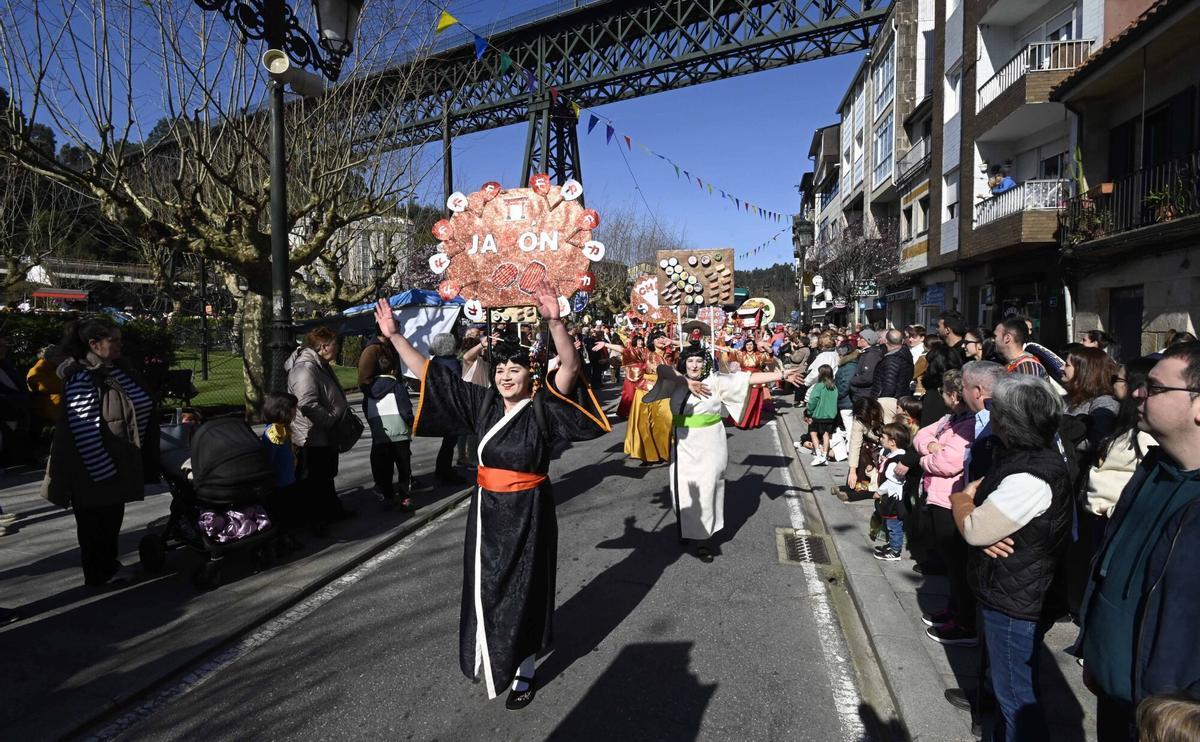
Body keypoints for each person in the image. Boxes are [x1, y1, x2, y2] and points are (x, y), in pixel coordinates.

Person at [371, 282, 610, 710]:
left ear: (530, 377)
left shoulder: (543, 407)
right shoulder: (482, 404)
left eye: (514, 371)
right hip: (486, 511)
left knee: (526, 587)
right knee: (486, 581)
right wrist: (393, 336)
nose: (504, 377)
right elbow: (431, 374)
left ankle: (525, 667)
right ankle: (489, 643)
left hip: (530, 510)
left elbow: (570, 368)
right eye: (500, 371)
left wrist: (556, 321)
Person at [1074, 343, 1200, 741]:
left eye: (1157, 388)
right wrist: (1094, 649)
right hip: (1116, 693)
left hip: (1167, 720)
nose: (1140, 392)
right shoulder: (1153, 468)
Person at [950, 374, 1072, 742]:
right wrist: (980, 516)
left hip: (1016, 600)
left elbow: (973, 525)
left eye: (997, 411)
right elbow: (984, 524)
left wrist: (963, 501)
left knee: (1016, 698)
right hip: (1009, 589)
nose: (992, 416)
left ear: (1010, 422)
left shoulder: (1031, 476)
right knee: (1009, 696)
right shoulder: (1023, 457)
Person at [647, 345, 802, 562]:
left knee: (706, 490)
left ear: (705, 364)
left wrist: (782, 374)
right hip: (683, 445)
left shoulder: (716, 381)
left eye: (699, 361)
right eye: (690, 361)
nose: (694, 365)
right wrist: (687, 382)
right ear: (684, 363)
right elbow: (663, 369)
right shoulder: (677, 381)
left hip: (710, 444)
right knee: (680, 490)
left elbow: (747, 379)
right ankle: (686, 527)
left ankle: (702, 540)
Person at [41, 317, 156, 587]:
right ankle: (100, 574)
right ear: (94, 345)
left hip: (117, 460)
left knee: (109, 522)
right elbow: (84, 430)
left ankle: (108, 566)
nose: (119, 345)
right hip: (96, 467)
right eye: (113, 340)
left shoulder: (113, 368)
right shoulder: (82, 377)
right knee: (96, 526)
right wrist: (103, 471)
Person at [914, 368, 978, 645]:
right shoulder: (950, 419)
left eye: (945, 392)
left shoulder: (970, 424)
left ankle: (964, 622)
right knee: (952, 563)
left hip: (951, 498)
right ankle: (954, 610)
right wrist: (931, 445)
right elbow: (920, 435)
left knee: (958, 563)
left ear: (954, 395)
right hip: (937, 496)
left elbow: (949, 463)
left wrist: (923, 460)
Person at [286, 326, 352, 527]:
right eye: (335, 344)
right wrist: (330, 419)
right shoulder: (306, 368)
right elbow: (306, 403)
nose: (338, 348)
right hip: (311, 434)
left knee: (326, 475)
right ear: (323, 347)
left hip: (323, 433)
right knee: (315, 478)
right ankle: (316, 519)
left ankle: (331, 511)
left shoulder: (319, 364)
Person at [622, 331, 675, 464]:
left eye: (663, 337)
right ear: (652, 341)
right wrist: (606, 344)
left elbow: (688, 345)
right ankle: (648, 455)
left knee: (665, 421)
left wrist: (672, 342)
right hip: (645, 390)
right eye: (657, 338)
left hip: (665, 391)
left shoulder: (671, 353)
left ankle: (665, 452)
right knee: (644, 424)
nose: (661, 340)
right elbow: (625, 351)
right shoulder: (644, 352)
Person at [429, 333, 468, 486]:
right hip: (451, 406)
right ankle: (443, 471)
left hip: (438, 405)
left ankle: (443, 470)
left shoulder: (434, 361)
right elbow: (459, 385)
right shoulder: (452, 363)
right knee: (450, 441)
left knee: (448, 442)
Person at [872, 421, 912, 562]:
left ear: (892, 442)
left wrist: (879, 492)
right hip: (892, 499)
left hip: (894, 500)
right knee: (891, 524)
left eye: (883, 437)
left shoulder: (896, 461)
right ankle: (892, 545)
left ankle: (895, 551)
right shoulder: (895, 456)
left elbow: (892, 483)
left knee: (894, 526)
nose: (881, 439)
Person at [719, 338, 775, 429]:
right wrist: (715, 346)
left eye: (751, 345)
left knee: (753, 401)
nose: (749, 346)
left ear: (754, 346)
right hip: (743, 380)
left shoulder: (759, 355)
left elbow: (770, 354)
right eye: (747, 345)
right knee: (741, 400)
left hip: (755, 380)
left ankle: (751, 422)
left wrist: (764, 345)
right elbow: (729, 350)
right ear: (745, 345)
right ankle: (740, 421)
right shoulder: (741, 354)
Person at [804, 364, 839, 466]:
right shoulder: (834, 387)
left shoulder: (819, 386)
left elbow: (813, 400)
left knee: (813, 433)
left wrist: (809, 411)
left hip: (819, 415)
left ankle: (818, 454)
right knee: (826, 434)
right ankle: (824, 455)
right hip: (830, 416)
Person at [26, 344, 66, 433]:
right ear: (51, 357)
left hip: (57, 416)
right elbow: (48, 386)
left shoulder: (53, 369)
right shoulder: (37, 371)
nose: (64, 358)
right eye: (61, 356)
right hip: (49, 420)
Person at [871, 329, 916, 400]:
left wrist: (880, 402)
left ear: (886, 341)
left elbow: (889, 388)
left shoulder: (892, 359)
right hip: (901, 397)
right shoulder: (906, 353)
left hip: (889, 401)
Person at [847, 329, 885, 403]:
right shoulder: (866, 353)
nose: (858, 339)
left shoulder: (871, 355)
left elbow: (867, 378)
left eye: (861, 338)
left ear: (868, 340)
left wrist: (851, 381)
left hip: (864, 394)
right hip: (861, 394)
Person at [834, 342, 859, 434]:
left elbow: (846, 384)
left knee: (850, 429)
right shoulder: (848, 364)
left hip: (847, 402)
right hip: (845, 401)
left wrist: (837, 394)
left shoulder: (849, 366)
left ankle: (850, 448)